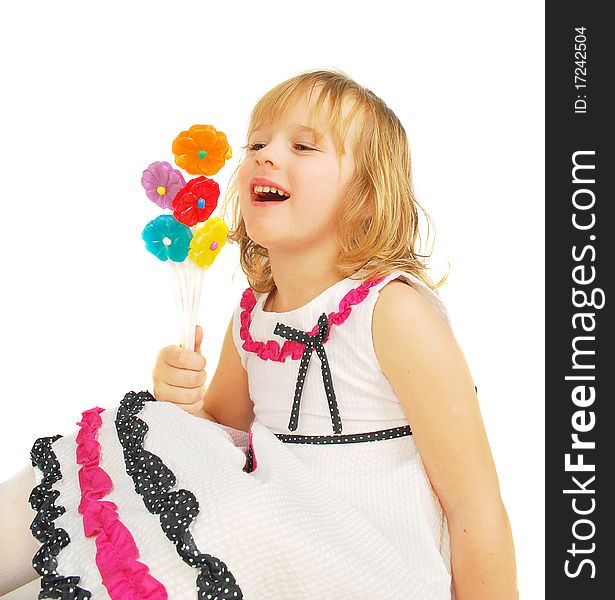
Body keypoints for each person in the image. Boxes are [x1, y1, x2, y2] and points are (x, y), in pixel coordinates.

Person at [0, 68, 518, 599]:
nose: (267, 155)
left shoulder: (392, 311)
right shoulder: (254, 315)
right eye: (258, 143)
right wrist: (180, 402)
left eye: (303, 146)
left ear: (365, 193)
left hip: (358, 564)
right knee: (142, 440)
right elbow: (221, 439)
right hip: (271, 535)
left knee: (228, 513)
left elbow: (474, 506)